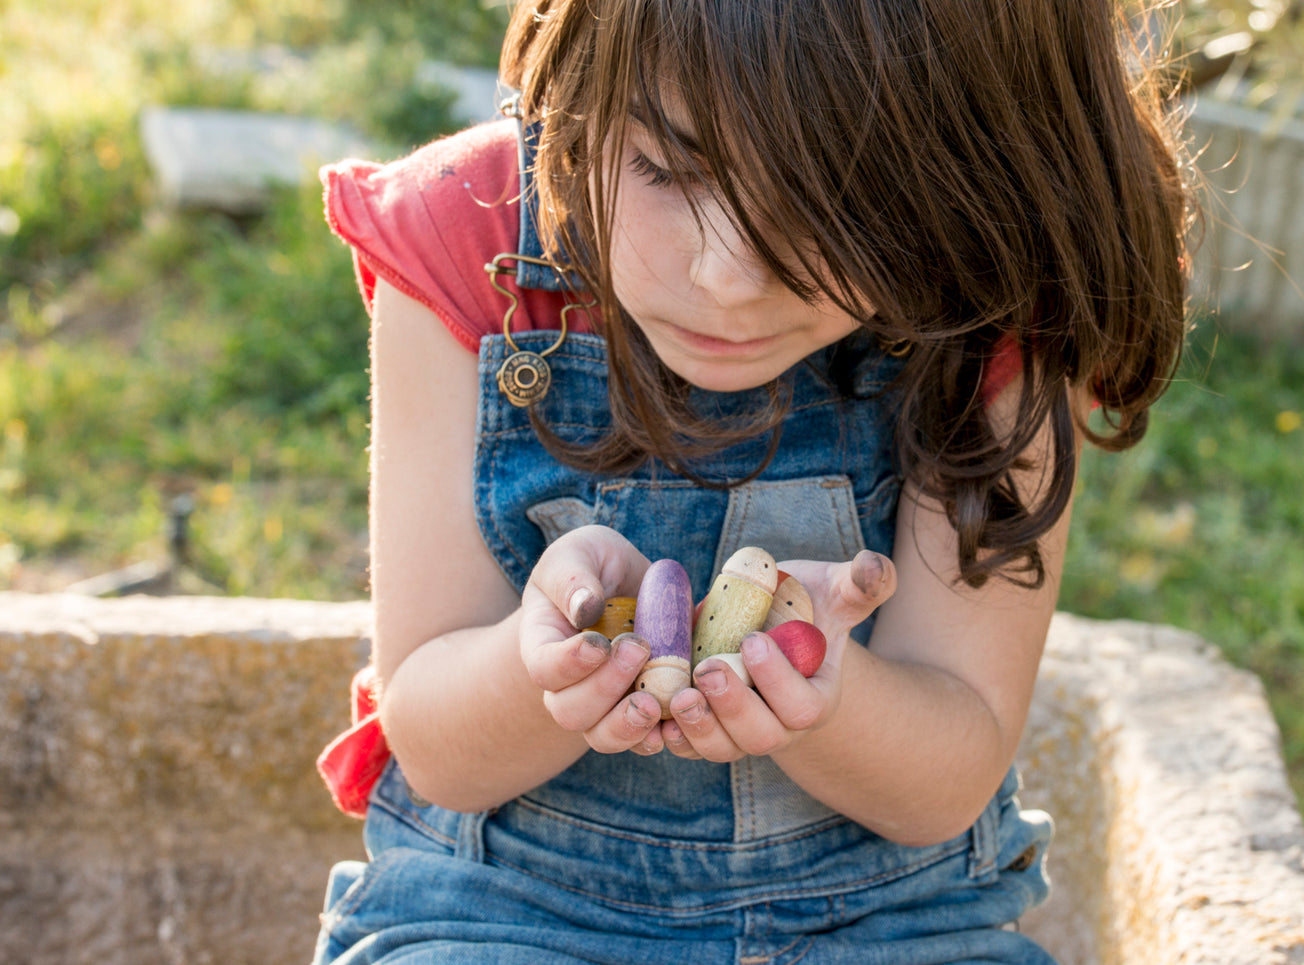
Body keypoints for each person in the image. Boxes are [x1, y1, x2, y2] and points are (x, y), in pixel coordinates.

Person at [310, 0, 1192, 962]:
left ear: (969, 171)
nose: (726, 275)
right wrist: (541, 672)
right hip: (502, 899)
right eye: (666, 167)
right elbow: (434, 746)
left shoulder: (992, 295)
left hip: (885, 914)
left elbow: (946, 777)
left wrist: (827, 696)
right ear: (583, 86)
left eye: (831, 202)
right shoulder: (467, 239)